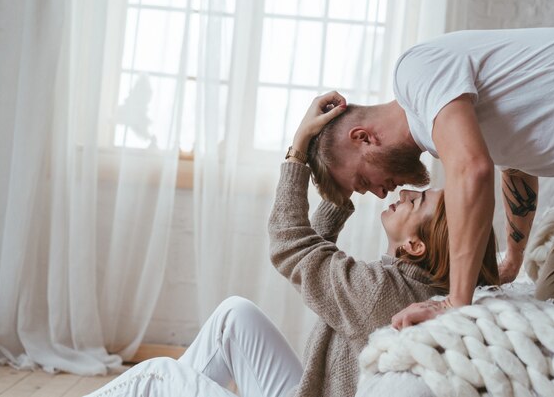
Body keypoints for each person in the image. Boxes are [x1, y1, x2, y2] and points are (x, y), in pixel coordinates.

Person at [85, 92, 499, 397]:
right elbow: (311, 255)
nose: (406, 192)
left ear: (415, 245)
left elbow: (290, 246)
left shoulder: (381, 294)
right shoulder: (405, 286)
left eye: (420, 200)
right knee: (234, 315)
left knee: (157, 375)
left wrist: (297, 150)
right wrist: (342, 189)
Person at [305, 28, 554, 327]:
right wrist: (513, 260)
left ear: (363, 138)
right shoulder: (441, 129)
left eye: (363, 182)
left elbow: (473, 170)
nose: (381, 194)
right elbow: (515, 165)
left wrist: (455, 302)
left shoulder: (414, 71)